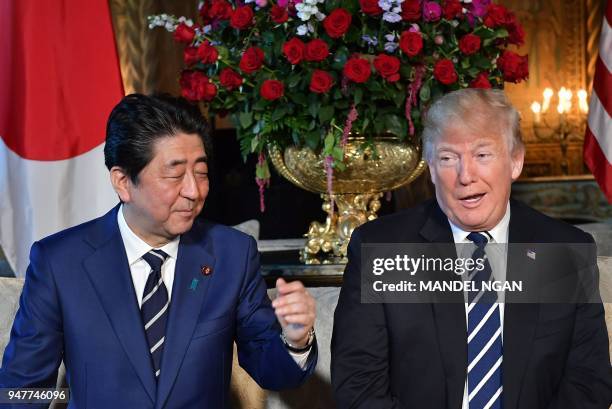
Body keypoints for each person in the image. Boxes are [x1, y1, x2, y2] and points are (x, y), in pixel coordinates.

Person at [0, 94, 317, 408]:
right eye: (175, 175)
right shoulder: (60, 263)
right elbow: (21, 390)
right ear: (123, 182)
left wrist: (294, 340)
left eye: (201, 173)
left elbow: (271, 370)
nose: (194, 191)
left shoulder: (231, 254)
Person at [331, 88, 612, 408]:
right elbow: (357, 384)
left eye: (482, 155)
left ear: (515, 161)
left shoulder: (563, 250)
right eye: (448, 158)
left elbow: (589, 382)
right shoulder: (382, 248)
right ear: (432, 168)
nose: (466, 176)